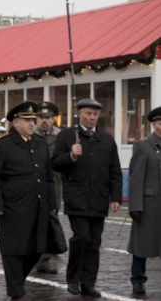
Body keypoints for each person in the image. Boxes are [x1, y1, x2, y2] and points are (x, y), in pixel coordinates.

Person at [0, 102, 57, 300]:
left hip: (38, 206)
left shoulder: (39, 142)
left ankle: (17, 282)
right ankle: (16, 291)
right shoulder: (2, 144)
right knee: (14, 251)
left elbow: (47, 177)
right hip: (12, 208)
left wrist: (52, 203)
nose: (32, 124)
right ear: (15, 123)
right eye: (27, 120)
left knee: (37, 248)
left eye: (33, 120)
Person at [52, 98, 123, 298]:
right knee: (81, 237)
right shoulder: (67, 136)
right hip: (77, 197)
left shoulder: (107, 139)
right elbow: (55, 163)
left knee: (94, 242)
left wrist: (115, 196)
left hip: (99, 198)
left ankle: (88, 283)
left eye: (95, 114)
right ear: (80, 114)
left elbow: (115, 170)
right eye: (88, 114)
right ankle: (73, 278)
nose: (92, 118)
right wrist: (71, 156)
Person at [126, 106, 161, 295]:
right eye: (160, 123)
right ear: (154, 125)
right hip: (149, 205)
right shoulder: (143, 146)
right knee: (142, 245)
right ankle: (138, 279)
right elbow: (136, 178)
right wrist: (135, 206)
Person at [34, 101, 63, 274]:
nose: (44, 121)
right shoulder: (30, 135)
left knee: (50, 219)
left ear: (53, 119)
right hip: (33, 184)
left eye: (48, 118)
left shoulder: (60, 138)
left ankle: (43, 261)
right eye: (41, 117)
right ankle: (31, 255)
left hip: (53, 184)